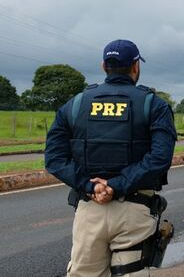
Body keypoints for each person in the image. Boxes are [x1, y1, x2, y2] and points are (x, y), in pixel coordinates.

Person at [45, 39, 177, 276]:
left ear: (104, 66)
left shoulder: (76, 104)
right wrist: (116, 186)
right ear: (135, 66)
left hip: (89, 209)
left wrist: (90, 185)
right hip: (135, 211)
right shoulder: (154, 105)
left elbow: (54, 158)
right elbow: (159, 158)